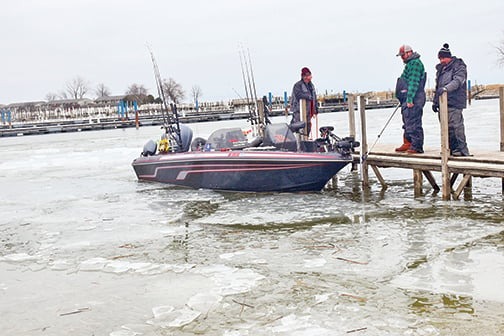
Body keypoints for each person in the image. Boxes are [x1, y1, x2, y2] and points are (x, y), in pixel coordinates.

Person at [432, 43, 470, 156]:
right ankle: (449, 149)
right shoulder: (440, 70)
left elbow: (458, 81)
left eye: (443, 58)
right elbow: (437, 86)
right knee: (445, 128)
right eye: (440, 58)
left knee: (456, 127)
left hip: (455, 102)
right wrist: (435, 101)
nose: (441, 60)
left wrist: (445, 89)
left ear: (448, 57)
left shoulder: (459, 66)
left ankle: (461, 150)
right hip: (443, 104)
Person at [394, 44, 427, 154]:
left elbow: (413, 83)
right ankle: (407, 142)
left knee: (414, 121)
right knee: (407, 120)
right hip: (406, 98)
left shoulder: (415, 64)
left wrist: (410, 99)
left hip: (414, 98)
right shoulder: (409, 64)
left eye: (403, 55)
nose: (402, 58)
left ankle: (417, 146)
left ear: (409, 53)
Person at [290, 67, 318, 136]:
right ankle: (296, 141)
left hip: (309, 112)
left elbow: (314, 97)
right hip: (299, 111)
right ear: (304, 76)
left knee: (308, 127)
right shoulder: (298, 85)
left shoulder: (312, 86)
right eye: (308, 75)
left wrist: (316, 109)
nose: (310, 77)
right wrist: (308, 97)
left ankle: (306, 140)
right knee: (297, 126)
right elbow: (298, 95)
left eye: (310, 75)